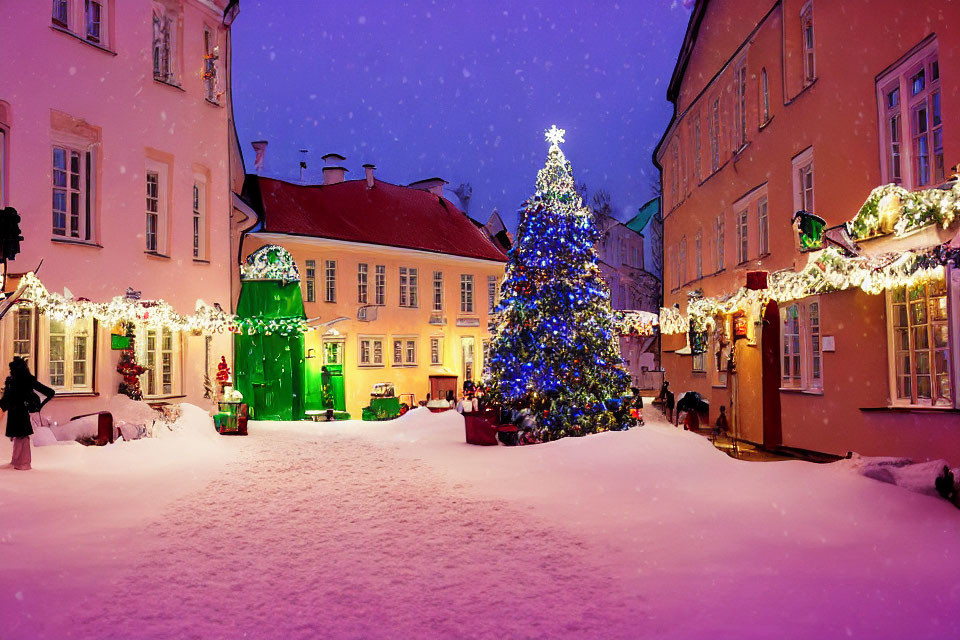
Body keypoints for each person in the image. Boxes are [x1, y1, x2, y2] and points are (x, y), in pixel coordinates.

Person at [0, 357, 55, 471]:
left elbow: (49, 392)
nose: (11, 371)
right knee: (18, 436)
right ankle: (17, 461)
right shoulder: (12, 381)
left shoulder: (25, 380)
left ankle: (24, 463)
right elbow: (6, 399)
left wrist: (38, 406)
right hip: (15, 412)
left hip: (20, 412)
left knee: (22, 436)